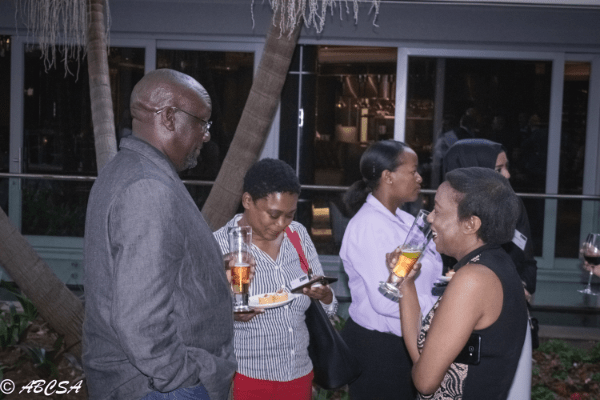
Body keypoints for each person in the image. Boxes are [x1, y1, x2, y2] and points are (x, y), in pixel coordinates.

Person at [82, 69, 236, 400]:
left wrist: (206, 269)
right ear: (167, 117)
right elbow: (140, 320)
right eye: (201, 122)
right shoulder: (148, 187)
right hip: (160, 388)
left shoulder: (125, 169)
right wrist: (184, 377)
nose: (206, 135)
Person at [213, 158, 338, 400]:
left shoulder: (298, 236)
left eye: (289, 215)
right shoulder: (218, 245)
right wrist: (230, 314)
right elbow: (199, 316)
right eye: (273, 214)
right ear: (247, 201)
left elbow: (329, 309)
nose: (281, 224)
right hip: (244, 378)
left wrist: (325, 296)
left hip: (299, 375)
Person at [399, 167, 528, 399]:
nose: (429, 218)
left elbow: (425, 382)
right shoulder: (498, 264)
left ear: (471, 224)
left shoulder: (473, 279)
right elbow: (428, 355)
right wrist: (406, 284)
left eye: (438, 211)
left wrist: (422, 367)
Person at [339, 140, 443, 400]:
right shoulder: (368, 226)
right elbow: (386, 301)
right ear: (388, 176)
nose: (419, 178)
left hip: (406, 341)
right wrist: (442, 307)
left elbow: (428, 275)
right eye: (413, 171)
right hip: (381, 349)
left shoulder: (407, 220)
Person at [443, 138, 538, 301]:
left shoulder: (513, 205)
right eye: (499, 169)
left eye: (507, 167)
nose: (507, 174)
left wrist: (521, 286)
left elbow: (528, 261)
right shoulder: (445, 212)